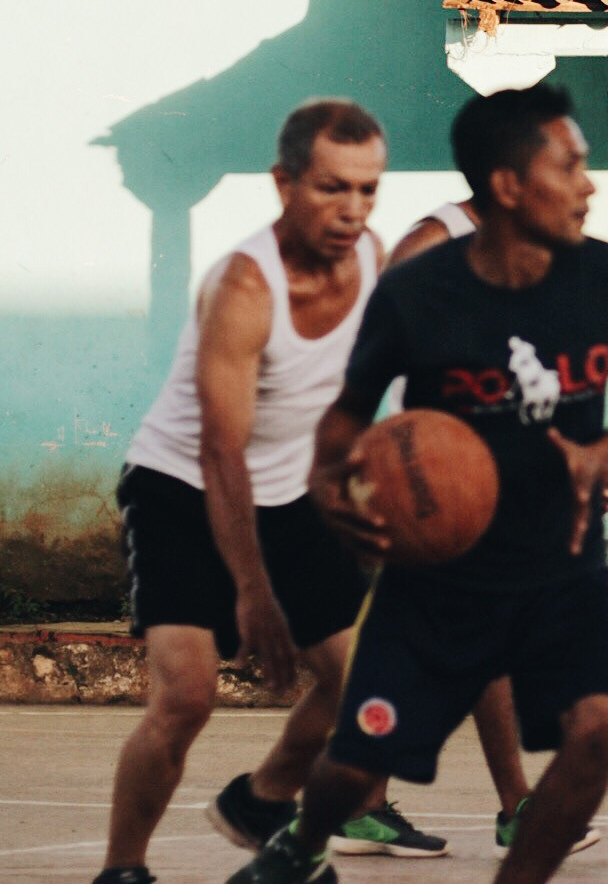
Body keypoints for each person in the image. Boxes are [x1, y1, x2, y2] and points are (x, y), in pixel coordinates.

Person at [226, 82, 608, 884]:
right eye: (570, 166)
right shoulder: (419, 289)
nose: (590, 185)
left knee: (602, 724)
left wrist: (601, 450)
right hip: (440, 574)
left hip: (560, 564)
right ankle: (300, 840)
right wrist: (332, 490)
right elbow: (345, 417)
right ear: (508, 185)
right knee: (357, 764)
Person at [96, 101, 390, 884]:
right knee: (187, 697)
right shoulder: (244, 287)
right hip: (181, 490)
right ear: (284, 184)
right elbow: (220, 449)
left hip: (290, 492)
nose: (353, 209)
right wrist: (254, 590)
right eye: (332, 187)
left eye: (367, 188)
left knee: (363, 685)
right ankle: (122, 868)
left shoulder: (372, 260)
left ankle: (261, 799)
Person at [367, 196, 599, 859]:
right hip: (434, 475)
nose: (583, 190)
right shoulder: (436, 239)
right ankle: (514, 807)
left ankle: (360, 803)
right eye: (565, 169)